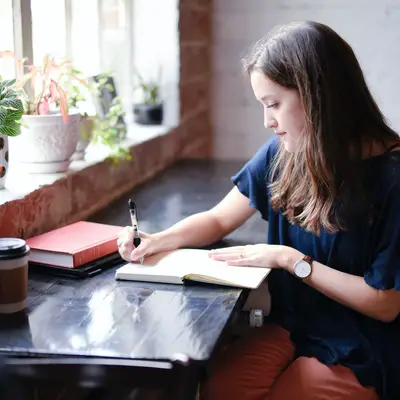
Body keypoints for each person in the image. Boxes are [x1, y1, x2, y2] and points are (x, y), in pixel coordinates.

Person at [117, 20, 400, 400]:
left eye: (274, 105)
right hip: (293, 325)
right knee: (218, 390)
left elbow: (384, 304)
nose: (268, 122)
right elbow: (219, 218)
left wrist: (291, 259)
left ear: (318, 95)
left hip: (364, 341)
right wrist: (157, 240)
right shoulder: (285, 153)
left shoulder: (393, 178)